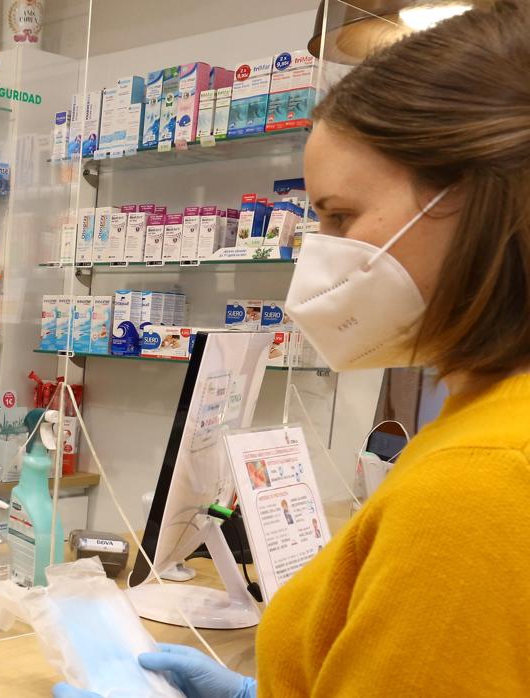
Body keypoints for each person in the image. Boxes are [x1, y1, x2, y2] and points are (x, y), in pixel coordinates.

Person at [56, 2, 530, 695]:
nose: (316, 253)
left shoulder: (482, 480)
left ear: (481, 198)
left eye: (339, 216)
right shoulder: (487, 421)